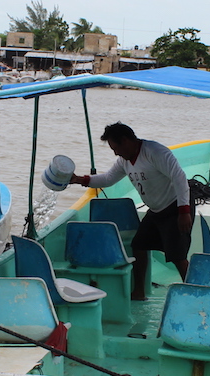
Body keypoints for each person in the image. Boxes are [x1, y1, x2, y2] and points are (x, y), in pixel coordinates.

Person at [70, 123, 193, 299]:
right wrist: (80, 179)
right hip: (156, 210)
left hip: (175, 207)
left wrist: (184, 212)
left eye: (116, 148)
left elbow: (179, 177)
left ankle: (193, 294)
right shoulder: (124, 161)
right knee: (139, 245)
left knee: (177, 255)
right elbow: (108, 178)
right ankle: (139, 291)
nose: (115, 153)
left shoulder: (155, 152)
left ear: (126, 141)